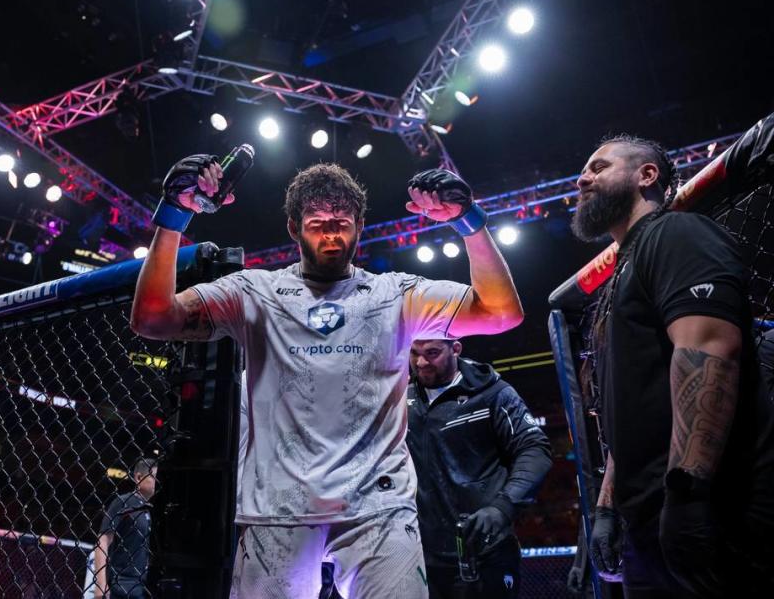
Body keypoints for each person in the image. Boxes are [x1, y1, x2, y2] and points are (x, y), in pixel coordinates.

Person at [131, 156, 523, 598]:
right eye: (318, 223)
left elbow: (501, 312)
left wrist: (469, 223)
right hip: (278, 508)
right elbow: (152, 318)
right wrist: (172, 218)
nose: (332, 235)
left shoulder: (392, 292)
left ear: (360, 224)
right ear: (294, 228)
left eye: (342, 222)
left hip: (378, 507)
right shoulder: (255, 291)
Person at [573, 135, 774, 597]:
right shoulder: (619, 277)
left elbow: (711, 351)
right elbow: (632, 413)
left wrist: (688, 496)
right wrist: (608, 508)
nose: (583, 179)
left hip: (718, 514)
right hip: (650, 526)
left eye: (599, 167)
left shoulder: (677, 234)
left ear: (647, 176)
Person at [406, 339, 551, 599]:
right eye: (414, 353)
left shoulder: (493, 393)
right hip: (419, 555)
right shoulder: (401, 396)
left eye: (432, 353)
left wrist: (502, 507)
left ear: (456, 349)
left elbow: (534, 449)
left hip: (486, 553)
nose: (421, 363)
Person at [94, 459, 158, 599]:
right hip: (120, 586)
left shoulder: (147, 510)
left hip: (139, 587)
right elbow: (103, 541)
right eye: (153, 476)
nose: (156, 482)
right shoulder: (123, 502)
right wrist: (100, 584)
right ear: (139, 477)